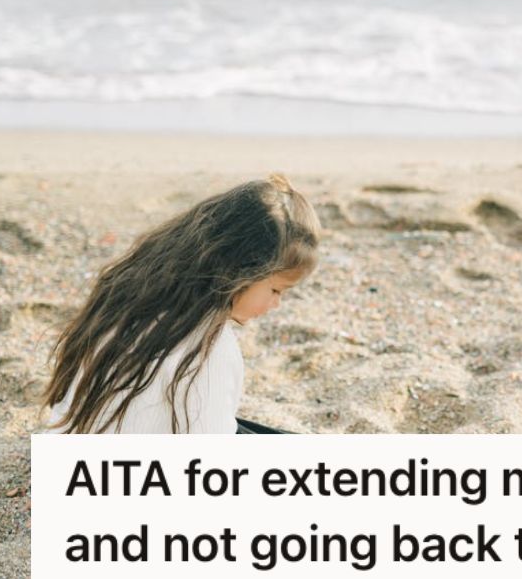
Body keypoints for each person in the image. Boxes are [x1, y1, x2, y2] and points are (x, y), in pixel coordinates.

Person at [42, 175, 320, 433]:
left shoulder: (127, 293)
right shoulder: (210, 348)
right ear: (241, 272)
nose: (276, 304)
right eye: (276, 289)